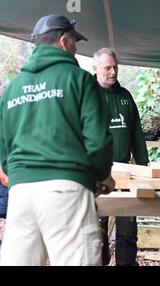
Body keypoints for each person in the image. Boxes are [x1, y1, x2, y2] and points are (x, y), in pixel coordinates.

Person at [0, 14, 113, 266]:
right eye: (75, 43)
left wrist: (20, 176)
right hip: (66, 190)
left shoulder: (12, 88)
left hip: (21, 196)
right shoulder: (80, 79)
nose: (75, 50)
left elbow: (4, 151)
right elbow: (99, 141)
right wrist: (97, 177)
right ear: (63, 42)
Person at [93, 48, 149, 266]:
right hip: (96, 173)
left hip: (126, 173)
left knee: (128, 228)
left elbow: (136, 133)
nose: (113, 71)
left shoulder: (125, 96)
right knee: (97, 231)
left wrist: (144, 167)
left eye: (115, 66)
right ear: (95, 68)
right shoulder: (87, 95)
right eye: (108, 67)